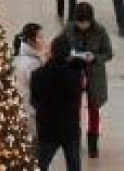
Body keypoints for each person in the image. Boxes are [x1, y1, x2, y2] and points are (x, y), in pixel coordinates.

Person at [59, 2, 113, 159]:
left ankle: (93, 143)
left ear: (91, 20)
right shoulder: (68, 29)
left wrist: (95, 57)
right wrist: (67, 55)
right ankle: (74, 141)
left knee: (93, 108)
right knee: (73, 109)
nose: (82, 25)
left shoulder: (100, 30)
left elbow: (109, 53)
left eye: (85, 22)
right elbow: (59, 47)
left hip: (93, 75)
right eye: (79, 22)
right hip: (73, 73)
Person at [30, 35, 84, 171]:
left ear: (52, 52)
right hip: (70, 128)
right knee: (74, 165)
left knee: (40, 165)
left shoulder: (38, 74)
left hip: (47, 128)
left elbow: (34, 100)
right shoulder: (76, 75)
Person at [11, 22, 46, 109]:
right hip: (31, 111)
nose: (43, 41)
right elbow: (41, 89)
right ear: (30, 41)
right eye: (40, 37)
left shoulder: (22, 56)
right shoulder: (32, 64)